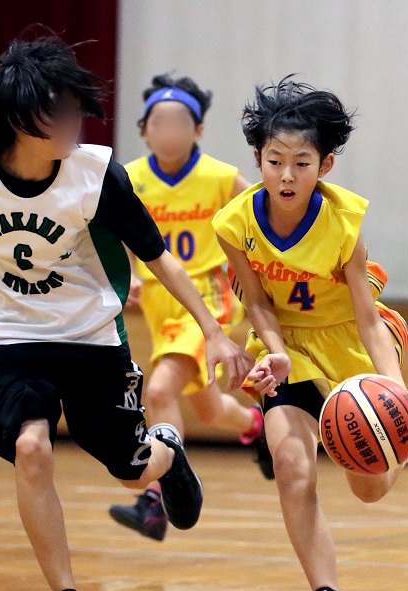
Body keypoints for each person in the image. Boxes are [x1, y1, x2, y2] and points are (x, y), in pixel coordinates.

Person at [0, 33, 252, 591]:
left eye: (73, 108)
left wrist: (216, 332)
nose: (71, 121)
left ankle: (165, 454)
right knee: (33, 448)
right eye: (56, 111)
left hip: (88, 338)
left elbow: (159, 257)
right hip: (2, 338)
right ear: (16, 119)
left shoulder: (96, 173)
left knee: (127, 468)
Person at [213, 77, 408, 591]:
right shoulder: (235, 224)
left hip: (348, 346)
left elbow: (365, 318)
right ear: (257, 159)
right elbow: (255, 300)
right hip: (288, 347)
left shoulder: (343, 224)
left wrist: (392, 393)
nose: (286, 175)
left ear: (325, 165)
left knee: (368, 488)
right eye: (274, 160)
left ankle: (391, 443)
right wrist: (273, 348)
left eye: (301, 162)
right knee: (289, 462)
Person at [109, 73, 272, 542]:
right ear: (144, 130)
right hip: (161, 305)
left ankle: (158, 500)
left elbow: (262, 222)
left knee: (159, 392)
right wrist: (131, 274)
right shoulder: (130, 178)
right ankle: (256, 424)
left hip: (209, 300)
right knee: (207, 410)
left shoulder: (223, 178)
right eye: (158, 122)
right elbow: (109, 233)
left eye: (180, 122)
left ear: (198, 130)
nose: (169, 131)